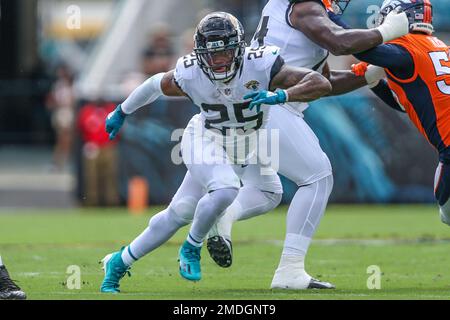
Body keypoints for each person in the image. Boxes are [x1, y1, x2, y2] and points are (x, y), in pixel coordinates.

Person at [100, 12, 333, 293]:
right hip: (204, 139)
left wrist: (282, 95)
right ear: (200, 54)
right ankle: (192, 247)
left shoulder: (262, 64)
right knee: (225, 189)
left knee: (190, 209)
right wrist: (122, 111)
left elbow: (321, 82)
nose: (219, 60)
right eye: (211, 54)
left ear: (239, 48)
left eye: (224, 51)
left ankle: (118, 262)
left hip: (244, 145)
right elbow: (155, 85)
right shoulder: (190, 72)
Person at [207, 0, 409, 290]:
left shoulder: (293, 14)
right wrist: (386, 31)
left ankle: (222, 217)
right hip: (271, 104)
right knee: (318, 177)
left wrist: (363, 76)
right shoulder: (304, 9)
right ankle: (290, 269)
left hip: (248, 106)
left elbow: (323, 81)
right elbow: (339, 43)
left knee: (266, 191)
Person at [344, 0, 450, 226]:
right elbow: (406, 104)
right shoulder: (438, 45)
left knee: (447, 214)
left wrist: (330, 17)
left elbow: (351, 45)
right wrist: (375, 84)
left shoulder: (404, 49)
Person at [78, 100, 120, 207]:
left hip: (108, 146)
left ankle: (111, 202)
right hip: (93, 147)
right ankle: (92, 202)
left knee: (110, 175)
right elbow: (81, 128)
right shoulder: (87, 111)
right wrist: (88, 142)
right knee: (91, 177)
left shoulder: (111, 109)